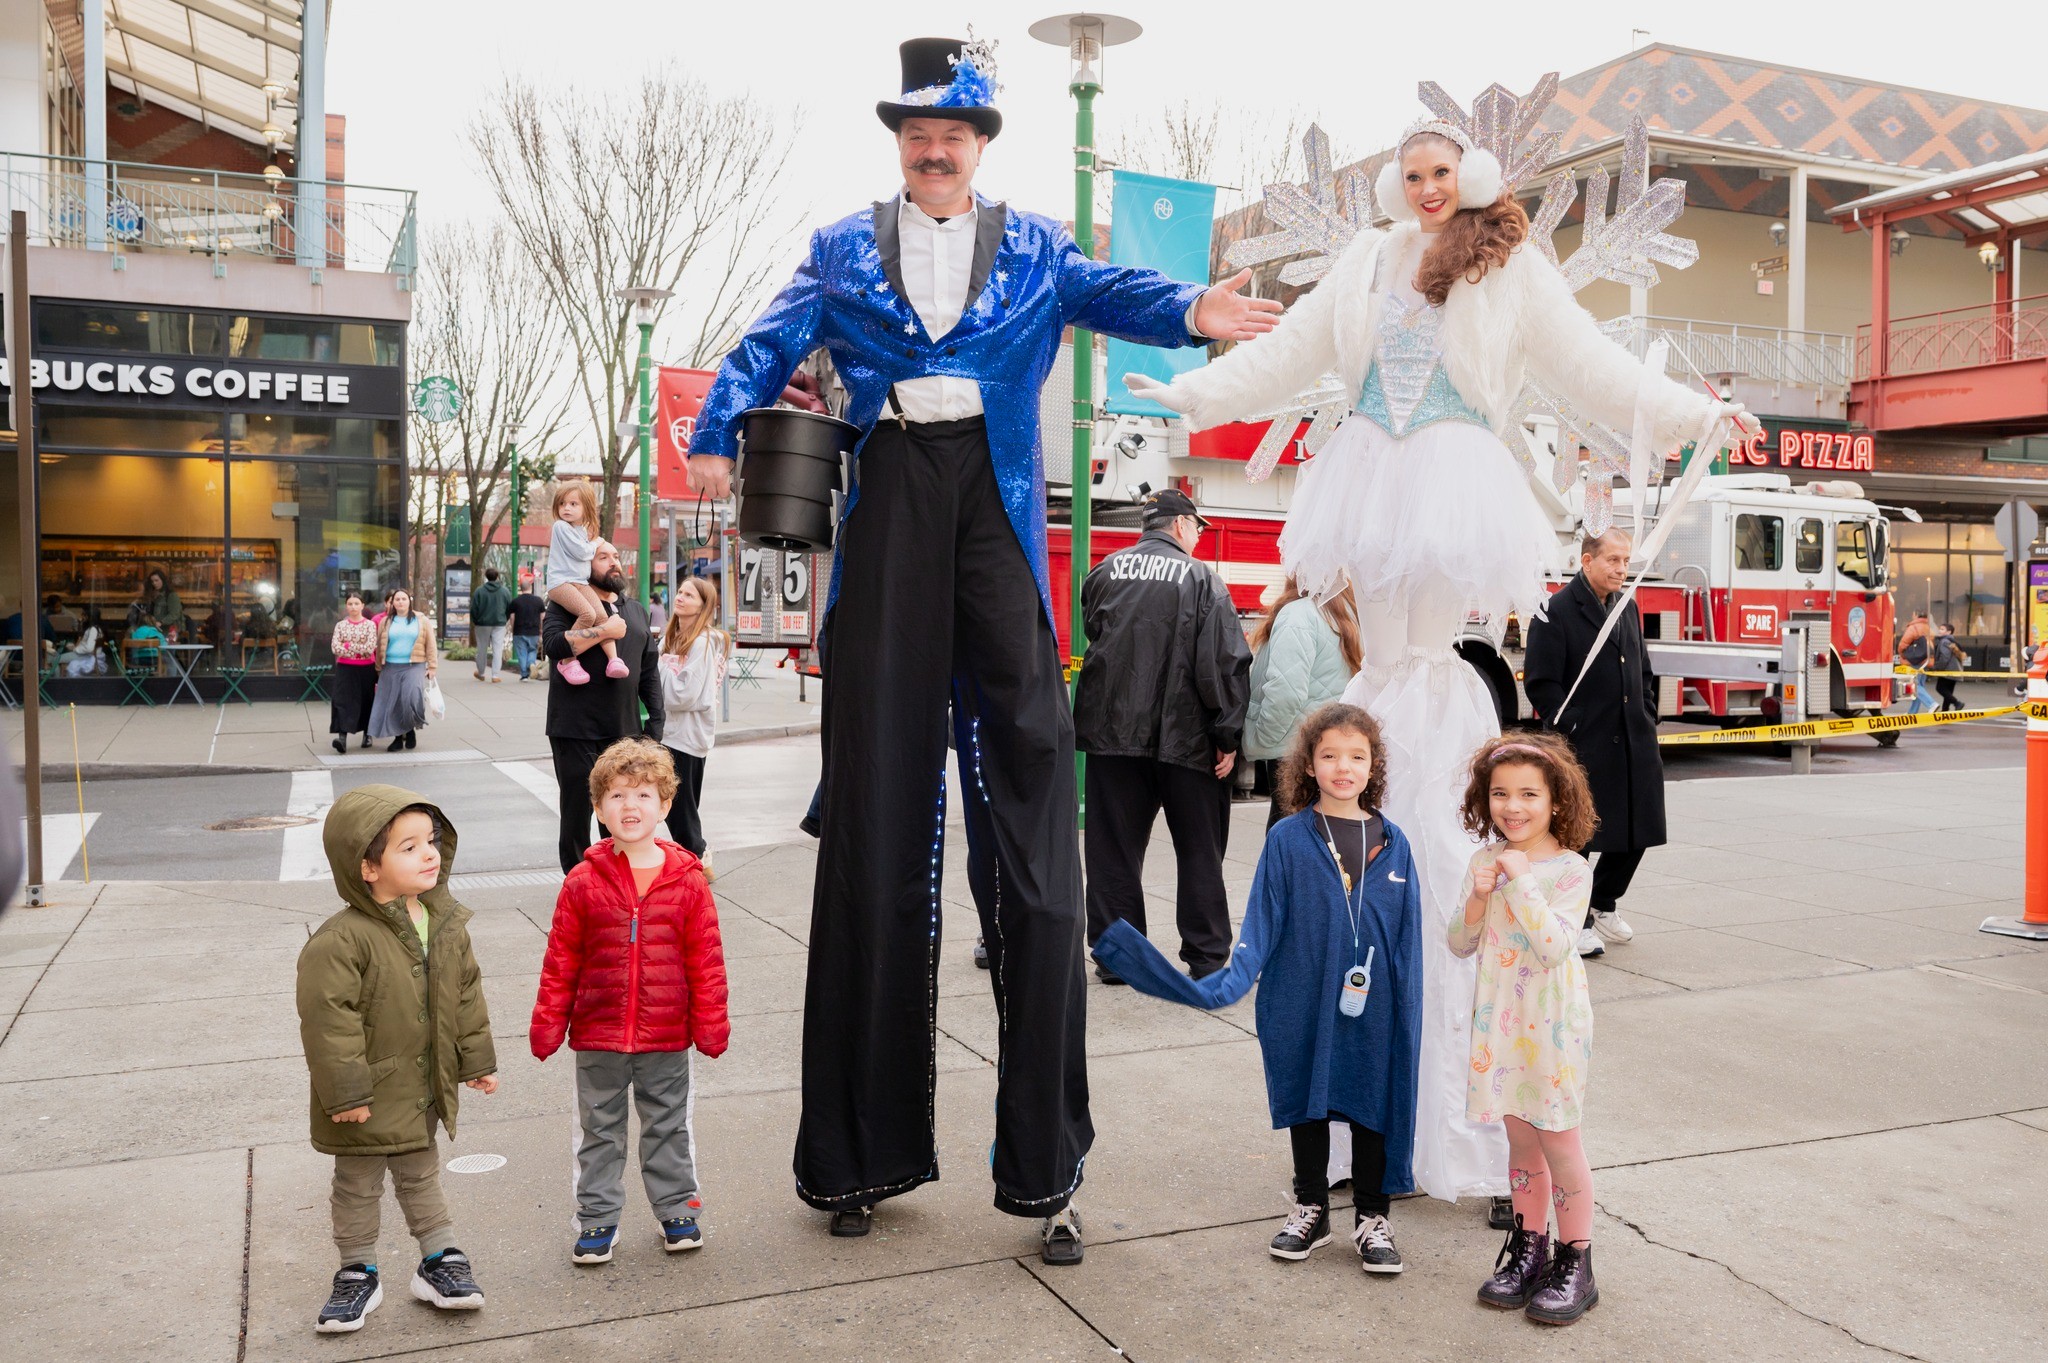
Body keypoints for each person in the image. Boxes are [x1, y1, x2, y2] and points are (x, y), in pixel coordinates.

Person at [685, 35, 1280, 1259]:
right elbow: (764, 340)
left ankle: (1044, 1162)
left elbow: (1116, 291)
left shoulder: (1038, 247)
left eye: (950, 133)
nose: (933, 149)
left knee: (1033, 813)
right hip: (890, 502)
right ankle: (858, 1155)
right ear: (900, 145)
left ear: (979, 144)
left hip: (996, 511)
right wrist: (710, 427)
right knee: (874, 815)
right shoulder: (840, 247)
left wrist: (1193, 311)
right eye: (916, 133)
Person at [1127, 107, 1753, 1212]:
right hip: (1370, 462)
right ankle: (1374, 814)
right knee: (1383, 669)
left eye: (1439, 171)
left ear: (1468, 176)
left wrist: (1691, 411)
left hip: (1455, 469)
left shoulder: (1507, 262)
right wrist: (1191, 392)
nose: (1425, 187)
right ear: (1394, 183)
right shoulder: (1369, 261)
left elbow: (1589, 365)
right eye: (1409, 172)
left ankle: (1428, 828)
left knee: (1426, 664)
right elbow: (1286, 353)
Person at [1093, 703, 1421, 1273]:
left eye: (1357, 756)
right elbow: (1262, 923)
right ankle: (1312, 1207)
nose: (1343, 767)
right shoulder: (1288, 839)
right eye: (1330, 756)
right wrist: (1229, 980)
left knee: (1372, 1101)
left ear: (1374, 766)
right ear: (1309, 764)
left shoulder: (1395, 843)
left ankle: (1373, 1217)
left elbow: (1408, 938)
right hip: (1301, 995)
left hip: (1375, 1005)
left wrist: (1407, 1012)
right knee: (1307, 1099)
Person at [298, 785, 497, 1333]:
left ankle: (440, 1259)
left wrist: (476, 1060)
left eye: (430, 841)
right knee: (357, 1182)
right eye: (408, 848)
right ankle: (357, 1270)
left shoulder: (444, 923)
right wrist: (346, 1093)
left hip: (420, 1087)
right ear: (367, 867)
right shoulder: (341, 941)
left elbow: (466, 995)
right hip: (364, 1093)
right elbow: (328, 1022)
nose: (429, 854)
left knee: (420, 1173)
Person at [530, 738, 729, 1265]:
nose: (630, 806)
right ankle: (597, 1217)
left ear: (665, 806)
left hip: (666, 1033)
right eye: (617, 795)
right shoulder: (582, 882)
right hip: (599, 1034)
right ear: (599, 809)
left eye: (643, 794)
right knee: (599, 1130)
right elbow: (561, 960)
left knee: (668, 1125)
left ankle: (677, 1209)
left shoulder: (688, 881)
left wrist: (710, 1025)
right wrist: (548, 1024)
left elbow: (706, 961)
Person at [1451, 734, 1599, 1326]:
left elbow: (1555, 945)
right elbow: (1460, 943)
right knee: (1519, 1141)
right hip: (1501, 1024)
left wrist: (1521, 882)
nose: (1513, 807)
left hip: (1553, 1025)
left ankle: (1576, 1259)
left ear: (1556, 800)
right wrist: (1478, 896)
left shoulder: (1570, 869)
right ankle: (1529, 1249)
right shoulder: (1483, 861)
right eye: (1500, 794)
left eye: (1529, 794)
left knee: (1559, 1141)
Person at [1075, 488, 1252, 982]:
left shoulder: (1104, 572)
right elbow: (1225, 663)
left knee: (1112, 850)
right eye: (1197, 528)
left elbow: (1096, 634)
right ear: (1180, 525)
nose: (1198, 537)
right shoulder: (1202, 579)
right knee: (1198, 850)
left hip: (1112, 735)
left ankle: (1117, 957)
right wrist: (1227, 736)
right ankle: (1206, 957)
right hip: (1187, 738)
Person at [1522, 529, 1664, 959]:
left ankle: (1604, 902)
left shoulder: (1627, 605)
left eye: (1626, 561)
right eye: (1613, 560)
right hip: (1584, 743)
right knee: (1580, 834)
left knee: (1640, 828)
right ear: (1587, 561)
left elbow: (1643, 669)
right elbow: (1541, 682)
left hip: (1634, 739)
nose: (1622, 569)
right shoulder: (1555, 611)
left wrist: (1648, 713)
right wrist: (1571, 726)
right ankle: (1579, 919)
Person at [542, 540, 664, 875]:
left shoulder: (636, 611)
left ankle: (618, 879)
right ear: (585, 564)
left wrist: (655, 726)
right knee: (577, 813)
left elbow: (649, 672)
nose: (614, 562)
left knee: (622, 812)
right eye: (603, 557)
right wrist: (604, 631)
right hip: (574, 729)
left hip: (624, 731)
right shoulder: (565, 605)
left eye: (616, 556)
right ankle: (578, 882)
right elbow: (552, 645)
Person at [1246, 578, 1362, 828]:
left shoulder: (1297, 615)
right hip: (1334, 744)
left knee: (1288, 835)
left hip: (1293, 748)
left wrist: (1263, 738)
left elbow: (1285, 693)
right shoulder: (1348, 611)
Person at [656, 578, 730, 869]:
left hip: (688, 736)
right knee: (673, 803)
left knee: (680, 807)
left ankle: (697, 857)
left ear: (703, 605)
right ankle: (694, 857)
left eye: (689, 595)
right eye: (680, 592)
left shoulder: (702, 642)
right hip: (669, 732)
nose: (681, 597)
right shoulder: (671, 637)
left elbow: (684, 695)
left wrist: (663, 666)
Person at [547, 483, 627, 685]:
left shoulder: (581, 530)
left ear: (586, 507)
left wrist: (592, 539)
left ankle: (614, 660)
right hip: (561, 583)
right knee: (588, 614)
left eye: (573, 504)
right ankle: (568, 661)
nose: (566, 508)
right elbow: (582, 553)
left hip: (580, 582)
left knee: (602, 616)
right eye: (562, 503)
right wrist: (597, 542)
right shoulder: (561, 527)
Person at [368, 589, 436, 753]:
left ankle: (410, 730)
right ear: (392, 603)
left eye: (403, 599)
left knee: (410, 698)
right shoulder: (386, 622)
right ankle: (398, 737)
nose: (400, 602)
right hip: (391, 666)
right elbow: (380, 645)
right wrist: (378, 668)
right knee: (394, 703)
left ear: (409, 601)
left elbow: (431, 644)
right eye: (397, 599)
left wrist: (432, 666)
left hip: (414, 665)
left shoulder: (421, 620)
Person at [329, 592, 380, 753]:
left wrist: (347, 646)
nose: (353, 607)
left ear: (362, 605)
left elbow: (369, 648)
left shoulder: (370, 625)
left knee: (366, 700)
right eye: (350, 604)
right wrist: (357, 649)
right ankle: (342, 738)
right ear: (346, 606)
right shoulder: (340, 625)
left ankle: (367, 734)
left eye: (356, 603)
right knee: (342, 700)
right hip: (345, 668)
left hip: (366, 669)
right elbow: (335, 647)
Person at [469, 567, 514, 683]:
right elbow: (509, 608)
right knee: (497, 649)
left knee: (482, 649)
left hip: (482, 624)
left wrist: (476, 621)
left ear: (486, 577)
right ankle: (495, 675)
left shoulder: (479, 591)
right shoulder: (505, 591)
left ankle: (481, 673)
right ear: (497, 576)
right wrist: (504, 619)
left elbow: (473, 609)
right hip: (499, 623)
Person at [1896, 610, 1935, 715]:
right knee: (1919, 685)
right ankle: (1913, 711)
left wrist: (1903, 654)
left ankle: (1931, 704)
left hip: (1915, 660)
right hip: (1925, 660)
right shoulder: (1928, 627)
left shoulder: (1914, 627)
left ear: (1916, 615)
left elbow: (1903, 644)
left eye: (1913, 614)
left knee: (1915, 685)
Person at [130, 566, 185, 637]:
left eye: (156, 580)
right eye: (152, 581)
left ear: (163, 580)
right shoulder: (153, 595)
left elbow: (174, 614)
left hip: (169, 631)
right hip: (155, 629)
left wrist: (161, 622)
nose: (154, 583)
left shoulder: (171, 595)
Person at [509, 581, 546, 682]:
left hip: (519, 631)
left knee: (522, 653)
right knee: (532, 650)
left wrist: (513, 628)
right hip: (534, 631)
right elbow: (542, 617)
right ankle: (531, 663)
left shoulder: (515, 601)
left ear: (521, 588)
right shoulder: (538, 601)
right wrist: (541, 630)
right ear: (530, 588)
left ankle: (524, 675)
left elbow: (512, 617)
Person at [1931, 623, 1967, 712]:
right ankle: (1945, 710)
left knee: (1940, 688)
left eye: (1942, 629)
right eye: (1940, 629)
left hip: (1947, 670)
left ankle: (1957, 703)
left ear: (1949, 632)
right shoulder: (1952, 641)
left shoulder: (1944, 642)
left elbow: (1944, 658)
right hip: (1955, 670)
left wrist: (1936, 667)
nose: (1939, 631)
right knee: (1948, 691)